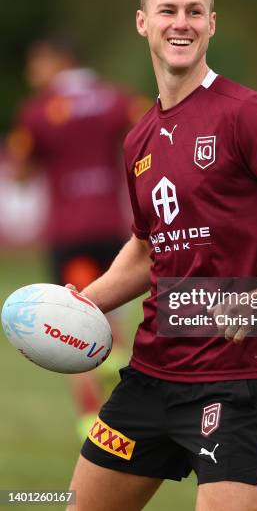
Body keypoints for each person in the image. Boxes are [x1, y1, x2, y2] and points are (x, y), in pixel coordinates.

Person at [68, 0, 257, 511]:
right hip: (148, 376)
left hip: (232, 380)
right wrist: (77, 306)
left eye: (194, 11)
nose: (182, 23)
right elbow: (148, 249)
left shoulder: (247, 114)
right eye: (168, 11)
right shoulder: (139, 140)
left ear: (212, 25)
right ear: (143, 23)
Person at [6, 35, 148, 437]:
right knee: (110, 310)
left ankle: (91, 419)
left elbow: (19, 169)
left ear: (58, 61)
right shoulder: (116, 98)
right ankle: (116, 363)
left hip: (69, 231)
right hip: (112, 226)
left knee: (73, 322)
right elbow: (150, 126)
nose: (32, 73)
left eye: (36, 63)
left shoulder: (38, 111)